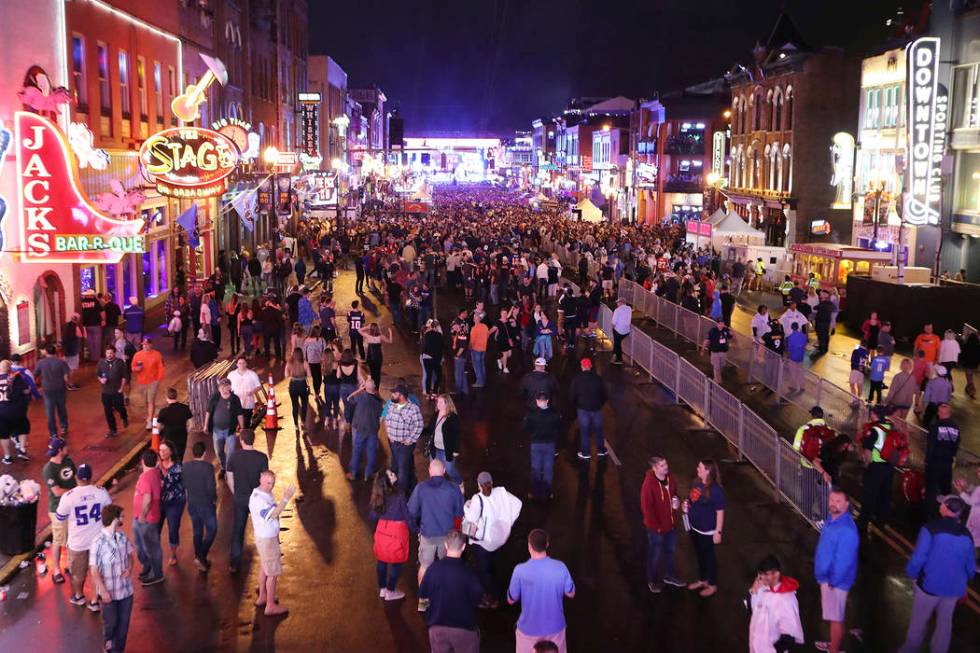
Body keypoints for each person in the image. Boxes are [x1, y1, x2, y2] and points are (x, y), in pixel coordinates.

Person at [898, 496, 975, 653]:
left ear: (946, 508)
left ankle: (909, 650)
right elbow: (970, 566)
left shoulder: (930, 529)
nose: (940, 505)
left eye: (942, 503)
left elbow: (919, 558)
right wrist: (964, 584)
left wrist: (911, 574)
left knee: (918, 623)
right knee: (944, 625)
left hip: (930, 586)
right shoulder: (967, 534)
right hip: (953, 589)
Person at [408, 458, 465, 612]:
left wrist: (417, 528)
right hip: (447, 537)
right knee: (446, 566)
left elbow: (411, 512)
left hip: (427, 535)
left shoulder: (421, 488)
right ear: (444, 471)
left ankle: (423, 600)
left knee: (425, 566)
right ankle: (445, 598)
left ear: (429, 471)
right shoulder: (453, 489)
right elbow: (460, 513)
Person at [508, 529, 576, 653]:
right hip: (556, 627)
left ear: (529, 546)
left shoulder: (520, 570)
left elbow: (511, 599)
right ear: (547, 544)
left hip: (528, 630)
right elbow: (571, 593)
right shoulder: (560, 567)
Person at [56, 463, 112, 611]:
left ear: (77, 477)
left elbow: (60, 517)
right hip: (98, 540)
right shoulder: (101, 492)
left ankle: (79, 596)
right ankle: (94, 601)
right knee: (96, 571)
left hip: (78, 543)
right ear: (91, 477)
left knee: (77, 574)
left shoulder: (68, 496)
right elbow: (109, 512)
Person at [463, 471, 523, 608]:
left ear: (478, 485)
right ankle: (495, 584)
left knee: (483, 570)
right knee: (491, 561)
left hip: (484, 542)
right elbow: (518, 503)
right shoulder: (501, 492)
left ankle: (492, 597)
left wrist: (466, 507)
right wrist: (509, 521)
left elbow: (471, 520)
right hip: (499, 538)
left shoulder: (477, 499)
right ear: (492, 483)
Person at [419, 529, 484, 653]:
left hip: (437, 627)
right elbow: (478, 596)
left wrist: (428, 616)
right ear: (463, 547)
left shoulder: (432, 569)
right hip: (464, 628)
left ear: (446, 545)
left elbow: (423, 596)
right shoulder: (468, 573)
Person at [813, 488, 859, 653]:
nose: (833, 504)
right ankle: (834, 644)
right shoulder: (833, 520)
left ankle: (834, 649)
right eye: (832, 500)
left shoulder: (846, 529)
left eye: (838, 501)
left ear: (846, 505)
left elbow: (843, 562)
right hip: (828, 579)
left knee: (835, 618)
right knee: (835, 616)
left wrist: (832, 582)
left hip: (834, 582)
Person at [249, 470, 296, 616]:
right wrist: (286, 499)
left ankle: (263, 596)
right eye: (268, 482)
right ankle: (270, 605)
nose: (271, 486)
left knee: (264, 567)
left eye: (272, 483)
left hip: (264, 537)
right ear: (260, 480)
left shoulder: (259, 493)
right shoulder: (260, 500)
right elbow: (273, 514)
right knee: (273, 573)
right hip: (267, 539)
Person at [89, 504, 136, 653]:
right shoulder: (98, 542)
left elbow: (130, 556)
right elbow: (94, 569)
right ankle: (108, 646)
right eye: (121, 516)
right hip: (109, 593)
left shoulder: (122, 537)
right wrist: (102, 591)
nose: (123, 519)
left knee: (123, 626)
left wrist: (129, 568)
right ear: (115, 519)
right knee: (111, 624)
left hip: (126, 591)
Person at [227, 429, 269, 573]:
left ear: (242, 441)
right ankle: (266, 561)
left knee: (238, 530)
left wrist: (235, 492)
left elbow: (230, 478)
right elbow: (265, 481)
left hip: (240, 498)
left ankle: (234, 563)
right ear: (253, 440)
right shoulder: (262, 458)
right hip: (257, 499)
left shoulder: (234, 457)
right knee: (262, 530)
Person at [683, 459, 726, 597]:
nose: (697, 469)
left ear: (708, 470)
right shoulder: (696, 483)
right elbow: (691, 499)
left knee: (709, 557)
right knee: (700, 555)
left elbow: (720, 512)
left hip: (707, 532)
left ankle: (712, 585)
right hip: (694, 528)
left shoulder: (716, 490)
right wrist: (686, 505)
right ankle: (702, 579)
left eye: (700, 467)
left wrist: (718, 532)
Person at [641, 456, 684, 593]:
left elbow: (674, 494)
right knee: (655, 555)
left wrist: (677, 500)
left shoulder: (670, 478)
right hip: (656, 530)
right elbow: (647, 509)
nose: (666, 467)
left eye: (665, 464)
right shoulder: (649, 485)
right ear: (654, 468)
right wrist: (657, 527)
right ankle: (652, 581)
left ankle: (669, 576)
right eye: (661, 465)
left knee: (670, 552)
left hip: (670, 526)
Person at [747, 555, 805, 653]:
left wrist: (775, 650)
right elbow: (752, 609)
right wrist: (753, 590)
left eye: (766, 574)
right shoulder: (763, 589)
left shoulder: (786, 599)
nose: (762, 577)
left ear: (776, 574)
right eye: (760, 573)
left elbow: (789, 635)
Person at [370, 469, 410, 600]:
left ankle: (382, 588)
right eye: (392, 475)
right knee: (396, 562)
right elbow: (407, 516)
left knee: (381, 560)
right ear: (387, 481)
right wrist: (416, 529)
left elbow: (372, 516)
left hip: (382, 532)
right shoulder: (399, 496)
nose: (395, 475)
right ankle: (390, 590)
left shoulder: (377, 497)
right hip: (396, 534)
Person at [182, 441, 218, 572]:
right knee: (212, 529)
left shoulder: (185, 466)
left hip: (192, 503)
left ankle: (199, 558)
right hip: (206, 504)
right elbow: (211, 487)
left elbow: (184, 484)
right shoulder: (208, 467)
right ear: (204, 453)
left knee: (197, 531)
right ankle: (201, 555)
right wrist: (214, 499)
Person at [384, 382, 424, 494]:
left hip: (405, 445)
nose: (392, 395)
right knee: (395, 466)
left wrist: (410, 439)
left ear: (401, 395)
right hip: (393, 442)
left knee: (402, 469)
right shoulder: (391, 405)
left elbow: (419, 425)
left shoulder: (413, 409)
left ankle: (401, 495)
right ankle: (398, 488)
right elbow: (386, 419)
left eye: (394, 393)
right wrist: (389, 434)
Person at [132, 449, 163, 586]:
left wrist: (143, 515)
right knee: (142, 546)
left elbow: (147, 498)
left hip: (146, 519)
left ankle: (157, 574)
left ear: (142, 461)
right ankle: (149, 566)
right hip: (142, 517)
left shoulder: (146, 477)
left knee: (150, 548)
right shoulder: (155, 473)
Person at [204, 378, 246, 476]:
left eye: (226, 386)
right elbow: (208, 411)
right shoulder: (214, 397)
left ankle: (228, 470)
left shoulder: (235, 399)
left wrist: (242, 427)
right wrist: (206, 425)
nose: (224, 388)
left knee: (231, 452)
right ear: (219, 388)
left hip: (230, 430)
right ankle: (223, 467)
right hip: (217, 430)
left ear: (230, 387)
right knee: (218, 452)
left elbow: (239, 414)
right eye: (222, 387)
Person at [524, 392, 561, 500]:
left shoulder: (531, 415)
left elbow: (526, 428)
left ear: (537, 401)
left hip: (536, 444)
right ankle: (548, 492)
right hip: (549, 444)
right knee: (548, 469)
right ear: (547, 401)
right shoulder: (555, 414)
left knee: (536, 469)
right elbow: (558, 429)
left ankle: (535, 492)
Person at [346, 378, 384, 480]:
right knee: (371, 451)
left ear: (365, 388)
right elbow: (381, 416)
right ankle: (369, 473)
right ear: (375, 388)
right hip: (372, 429)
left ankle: (353, 472)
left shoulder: (360, 396)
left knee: (357, 450)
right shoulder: (378, 402)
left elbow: (349, 398)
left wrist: (360, 389)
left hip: (360, 428)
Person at [569, 357, 607, 459]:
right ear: (590, 366)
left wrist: (576, 405)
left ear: (582, 367)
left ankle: (585, 453)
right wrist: (600, 404)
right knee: (599, 430)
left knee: (584, 431)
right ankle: (601, 450)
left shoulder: (577, 379)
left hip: (583, 409)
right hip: (596, 408)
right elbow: (604, 394)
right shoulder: (598, 378)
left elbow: (572, 395)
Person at [924, 403, 960, 508]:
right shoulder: (956, 428)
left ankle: (929, 512)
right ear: (950, 413)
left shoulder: (935, 427)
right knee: (945, 488)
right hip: (947, 463)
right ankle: (946, 509)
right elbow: (955, 446)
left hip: (934, 463)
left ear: (939, 413)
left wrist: (927, 461)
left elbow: (930, 446)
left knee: (931, 488)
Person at [157, 440, 185, 567]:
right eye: (160, 450)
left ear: (171, 451)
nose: (161, 453)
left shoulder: (178, 466)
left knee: (173, 527)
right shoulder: (157, 466)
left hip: (175, 502)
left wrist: (160, 466)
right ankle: (155, 552)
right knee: (155, 527)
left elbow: (168, 481)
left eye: (164, 450)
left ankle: (173, 554)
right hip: (160, 501)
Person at [34, 345, 71, 438]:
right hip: (60, 389)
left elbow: (35, 375)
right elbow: (66, 378)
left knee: (50, 412)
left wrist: (36, 388)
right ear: (56, 352)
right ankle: (64, 427)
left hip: (47, 390)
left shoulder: (40, 363)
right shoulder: (62, 362)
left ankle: (53, 433)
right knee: (62, 409)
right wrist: (66, 384)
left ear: (46, 352)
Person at [427, 394, 462, 486]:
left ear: (447, 403)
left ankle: (459, 483)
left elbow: (457, 434)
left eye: (441, 402)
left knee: (449, 470)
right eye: (438, 401)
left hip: (446, 449)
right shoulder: (435, 415)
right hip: (435, 449)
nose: (438, 404)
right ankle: (438, 486)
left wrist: (456, 450)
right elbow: (430, 429)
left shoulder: (453, 417)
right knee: (435, 471)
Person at [0, 360, 30, 464]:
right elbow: (26, 390)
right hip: (17, 410)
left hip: (2, 411)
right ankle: (22, 450)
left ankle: (7, 457)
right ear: (10, 368)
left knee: (4, 435)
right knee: (22, 429)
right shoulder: (16, 377)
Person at [130, 338, 164, 431]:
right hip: (142, 381)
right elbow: (133, 366)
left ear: (151, 345)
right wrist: (136, 369)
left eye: (147, 344)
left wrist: (158, 379)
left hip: (153, 381)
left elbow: (160, 367)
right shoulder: (138, 355)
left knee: (151, 401)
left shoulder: (157, 354)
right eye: (143, 344)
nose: (145, 346)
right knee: (146, 401)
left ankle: (150, 420)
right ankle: (149, 415)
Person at [96, 346, 129, 439]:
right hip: (106, 392)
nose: (109, 355)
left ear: (114, 353)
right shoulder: (101, 363)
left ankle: (124, 416)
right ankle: (113, 430)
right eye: (107, 353)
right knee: (108, 411)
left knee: (120, 407)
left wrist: (121, 388)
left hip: (117, 391)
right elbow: (98, 374)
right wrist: (101, 380)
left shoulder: (119, 363)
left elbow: (124, 376)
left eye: (111, 353)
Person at [156, 388, 193, 462]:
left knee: (169, 458)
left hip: (168, 438)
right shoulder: (185, 408)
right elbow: (191, 424)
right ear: (176, 396)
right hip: (182, 436)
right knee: (180, 457)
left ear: (166, 398)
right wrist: (186, 431)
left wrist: (160, 434)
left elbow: (158, 427)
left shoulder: (163, 411)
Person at [227, 356, 263, 423]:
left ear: (246, 364)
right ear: (237, 364)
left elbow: (259, 386)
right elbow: (227, 387)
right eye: (240, 363)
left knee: (246, 422)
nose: (242, 365)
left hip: (248, 402)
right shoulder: (231, 375)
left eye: (243, 363)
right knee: (234, 422)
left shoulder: (252, 374)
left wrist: (252, 392)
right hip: (235, 403)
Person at [284, 347, 311, 433]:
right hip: (302, 384)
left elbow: (286, 375)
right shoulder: (305, 363)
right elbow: (309, 375)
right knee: (304, 404)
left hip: (293, 385)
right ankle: (303, 421)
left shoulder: (289, 363)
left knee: (295, 406)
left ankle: (296, 425)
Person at [360, 322, 393, 389]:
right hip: (378, 356)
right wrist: (390, 332)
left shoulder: (368, 336)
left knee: (372, 372)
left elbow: (359, 330)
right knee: (377, 373)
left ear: (370, 329)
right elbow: (390, 341)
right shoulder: (380, 337)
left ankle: (372, 386)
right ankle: (376, 388)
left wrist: (367, 327)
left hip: (371, 357)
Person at [701, 317, 732, 384]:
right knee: (716, 366)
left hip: (723, 352)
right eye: (720, 323)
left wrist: (732, 333)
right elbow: (707, 340)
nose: (721, 325)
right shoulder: (712, 331)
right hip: (715, 352)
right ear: (717, 324)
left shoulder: (726, 330)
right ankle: (717, 381)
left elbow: (730, 337)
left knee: (721, 366)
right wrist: (702, 349)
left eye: (723, 323)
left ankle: (717, 378)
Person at [450, 309, 471, 395]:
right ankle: (465, 390)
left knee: (458, 374)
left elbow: (462, 346)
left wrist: (457, 355)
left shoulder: (461, 333)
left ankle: (457, 391)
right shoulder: (459, 331)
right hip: (464, 355)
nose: (453, 328)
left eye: (455, 327)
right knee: (462, 372)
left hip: (461, 355)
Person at [469, 312, 490, 388]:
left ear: (474, 319)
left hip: (476, 350)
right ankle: (483, 380)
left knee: (477, 366)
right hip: (483, 348)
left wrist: (469, 348)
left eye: (474, 318)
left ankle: (479, 382)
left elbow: (472, 341)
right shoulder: (485, 326)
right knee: (482, 365)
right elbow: (487, 336)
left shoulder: (474, 329)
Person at [611, 297, 632, 365]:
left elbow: (613, 322)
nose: (617, 304)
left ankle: (619, 359)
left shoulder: (617, 310)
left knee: (617, 344)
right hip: (627, 330)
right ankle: (614, 354)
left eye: (618, 302)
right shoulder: (629, 308)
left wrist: (612, 328)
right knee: (617, 342)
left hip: (619, 330)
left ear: (621, 302)